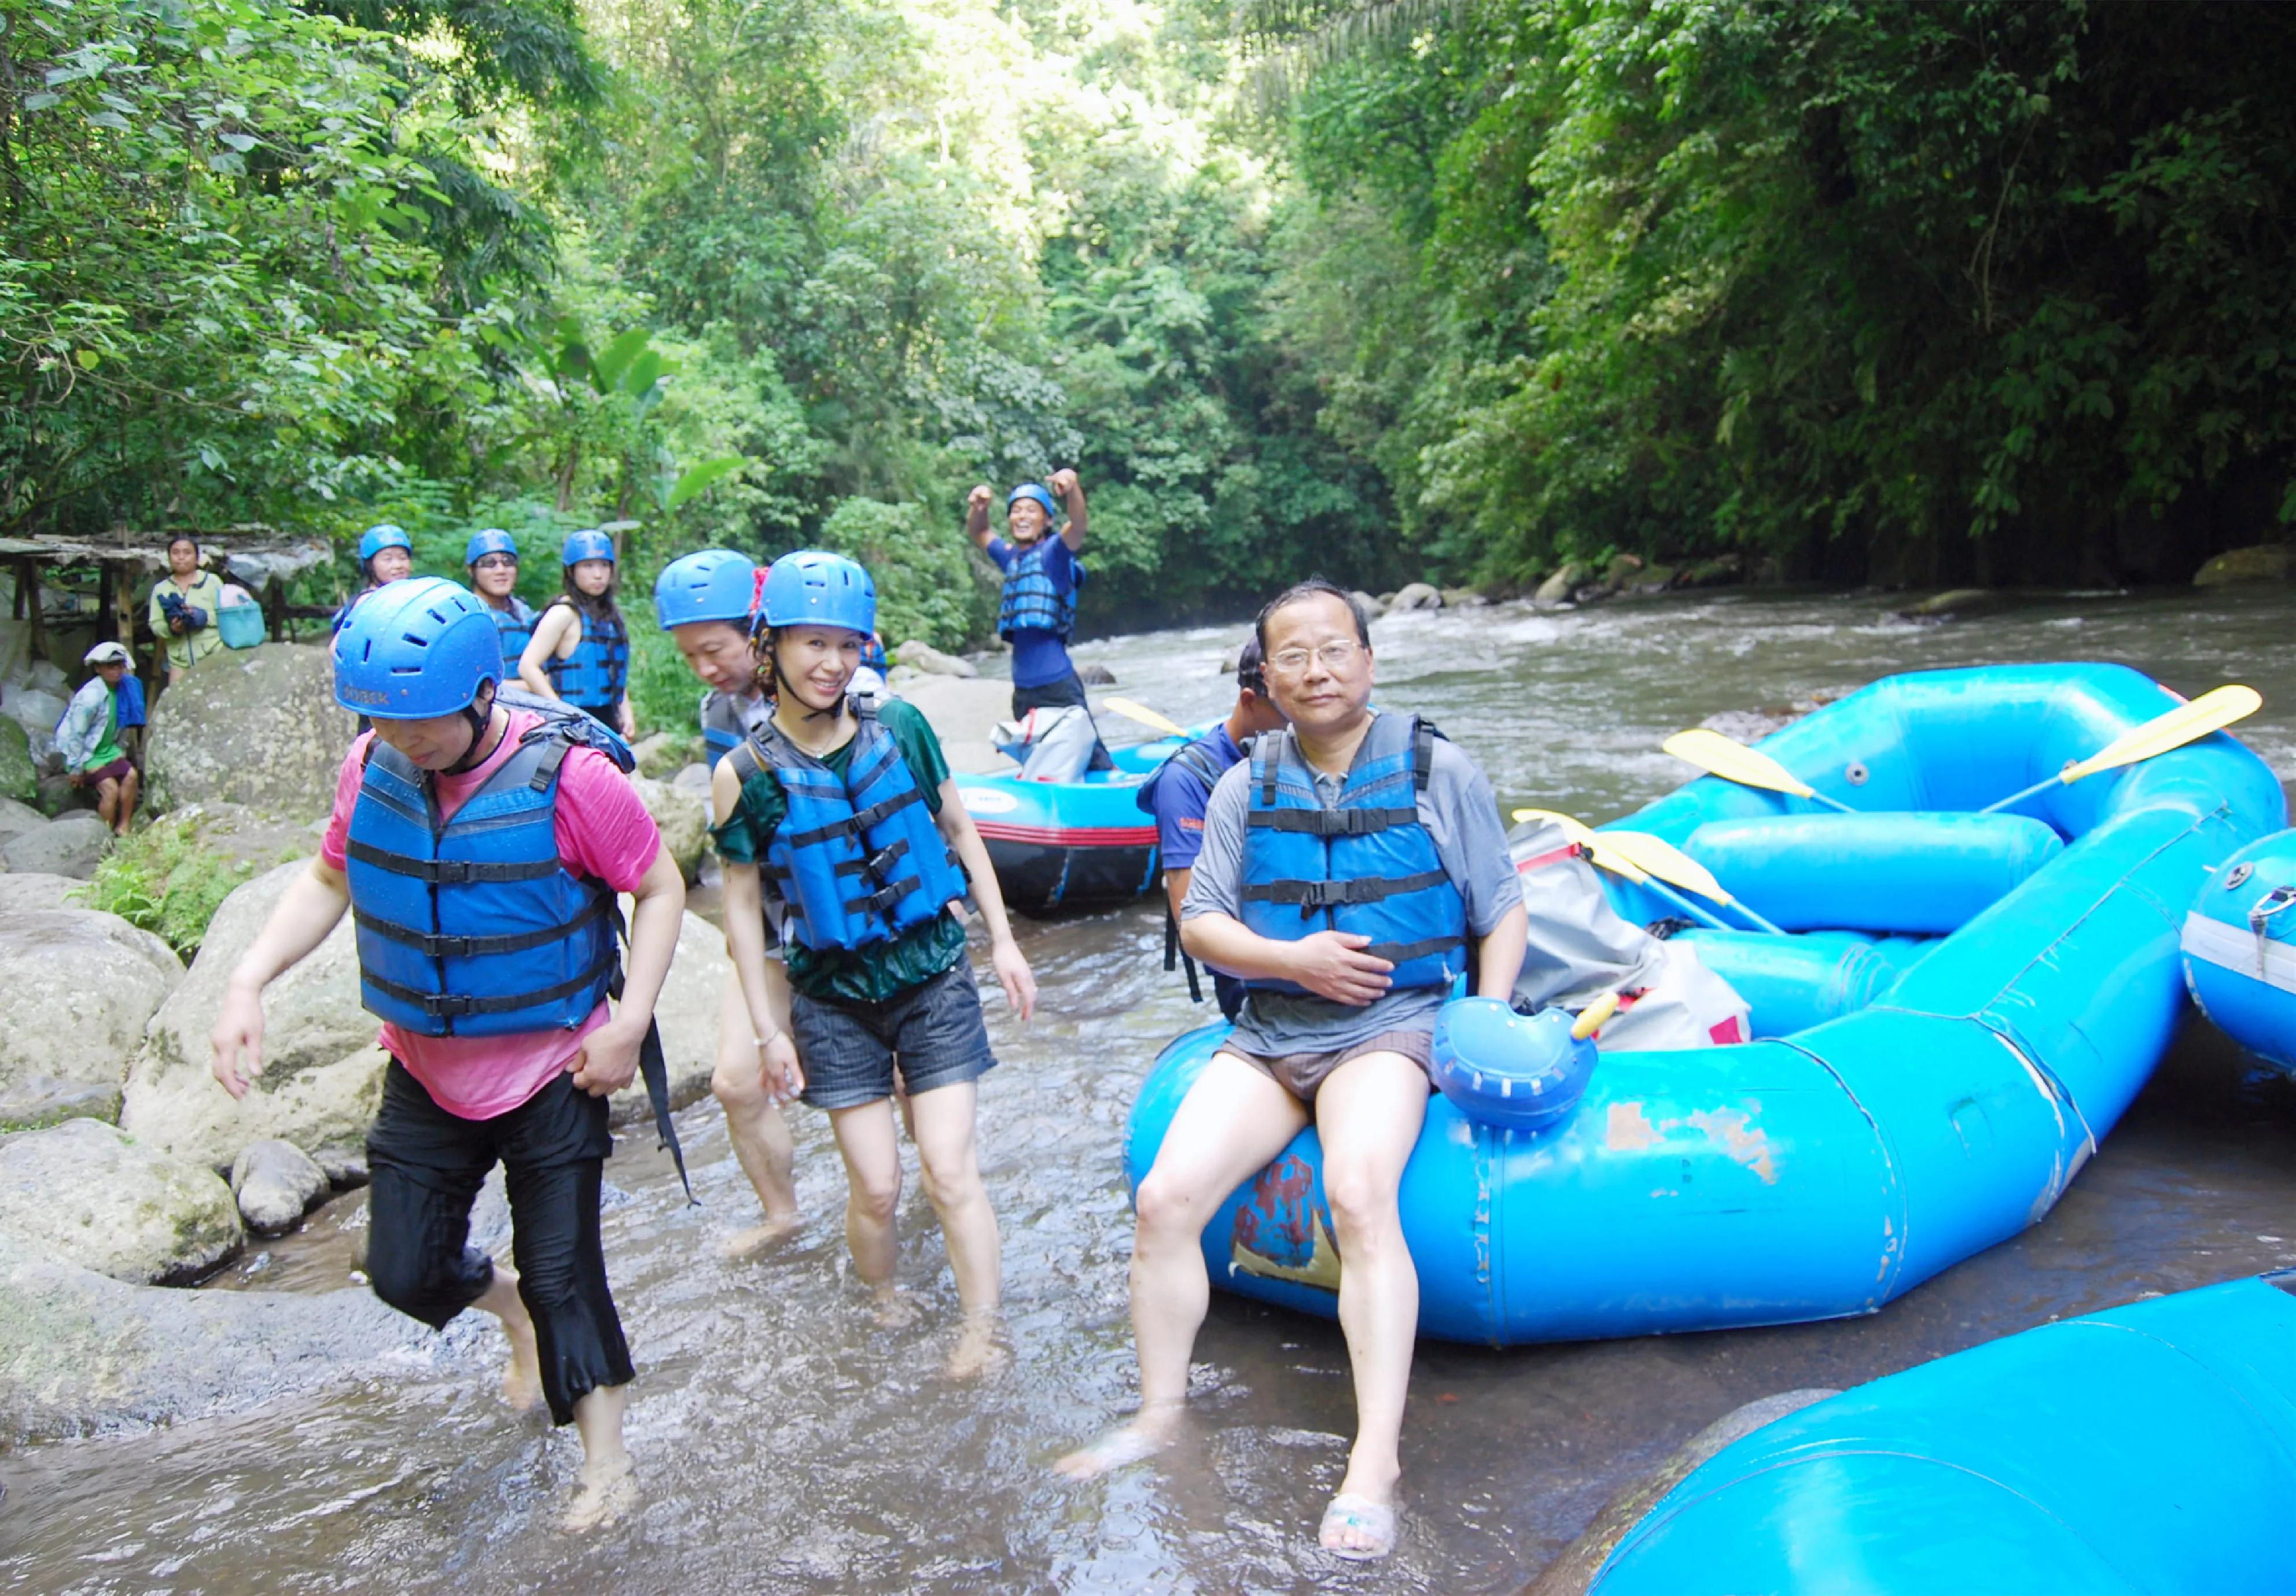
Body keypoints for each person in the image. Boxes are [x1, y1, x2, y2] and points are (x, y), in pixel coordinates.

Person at [1057, 577, 1529, 1562]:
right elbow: (1200, 921)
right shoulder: (1242, 783)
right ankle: (1158, 1413)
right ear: (1265, 676)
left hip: (1390, 1024)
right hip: (1272, 1031)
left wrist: (1481, 1015)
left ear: (1368, 659)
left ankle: (1374, 1460)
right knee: (1163, 1197)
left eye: (1333, 649)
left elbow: (1500, 906)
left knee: (1357, 1192)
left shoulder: (1435, 767)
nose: (1316, 670)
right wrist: (1292, 958)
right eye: (1293, 656)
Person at [209, 577, 686, 1534]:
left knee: (564, 1273)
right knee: (402, 1269)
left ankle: (607, 1464)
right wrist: (246, 979)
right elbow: (329, 877)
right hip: (427, 1069)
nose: (400, 738)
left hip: (554, 1068)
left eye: (418, 718)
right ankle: (509, 1310)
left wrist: (629, 1020)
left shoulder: (573, 778)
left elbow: (661, 886)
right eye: (380, 718)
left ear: (479, 691)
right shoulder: (371, 764)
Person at [711, 550, 1037, 1377]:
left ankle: (982, 1327)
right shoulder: (744, 774)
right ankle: (884, 1295)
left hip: (931, 972)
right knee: (879, 1187)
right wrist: (769, 1030)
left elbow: (959, 829)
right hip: (832, 998)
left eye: (848, 645)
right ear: (771, 645)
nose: (832, 663)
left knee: (949, 1169)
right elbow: (743, 910)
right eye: (813, 643)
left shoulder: (902, 727)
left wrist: (1003, 940)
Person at [653, 548, 802, 1255]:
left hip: (854, 918)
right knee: (736, 1082)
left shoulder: (823, 683)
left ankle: (933, 1188)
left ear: (757, 630)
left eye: (713, 649)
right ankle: (783, 1216)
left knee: (896, 1078)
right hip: (768, 920)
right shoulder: (717, 710)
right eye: (690, 655)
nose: (704, 668)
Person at [1134, 637, 1287, 1020]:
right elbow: (1190, 916)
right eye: (1287, 711)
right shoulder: (1185, 782)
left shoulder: (1303, 751)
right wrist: (1296, 962)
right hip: (1250, 978)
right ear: (1249, 701)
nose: (1300, 722)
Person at [964, 471, 1110, 770]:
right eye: (1016, 510)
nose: (1022, 516)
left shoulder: (1054, 554)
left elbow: (1079, 526)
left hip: (1058, 686)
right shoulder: (1011, 559)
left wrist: (1072, 488)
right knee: (1037, 761)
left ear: (1047, 521)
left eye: (1031, 510)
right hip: (1023, 692)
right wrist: (978, 508)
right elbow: (980, 532)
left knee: (1092, 759)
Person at [521, 529, 633, 739]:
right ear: (571, 572)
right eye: (588, 566)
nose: (598, 574)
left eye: (604, 565)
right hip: (572, 723)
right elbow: (528, 666)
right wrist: (560, 712)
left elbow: (614, 672)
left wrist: (625, 711)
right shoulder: (563, 613)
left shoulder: (610, 616)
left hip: (608, 719)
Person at [57, 642, 140, 835]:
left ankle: (124, 826)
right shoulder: (91, 697)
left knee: (131, 776)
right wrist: (76, 767)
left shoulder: (124, 690)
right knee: (110, 789)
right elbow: (76, 733)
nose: (116, 670)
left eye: (119, 665)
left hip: (108, 748)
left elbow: (124, 724)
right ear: (98, 668)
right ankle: (104, 834)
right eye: (111, 666)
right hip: (87, 752)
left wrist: (120, 750)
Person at [147, 535, 229, 685]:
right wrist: (172, 628)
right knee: (178, 699)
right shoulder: (161, 589)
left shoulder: (212, 582)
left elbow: (227, 615)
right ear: (169, 558)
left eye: (187, 553)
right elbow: (155, 624)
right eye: (176, 553)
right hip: (180, 661)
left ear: (197, 558)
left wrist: (201, 617)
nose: (181, 557)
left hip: (213, 654)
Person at [465, 529, 538, 662]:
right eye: (489, 563)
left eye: (508, 562)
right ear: (471, 570)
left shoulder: (524, 612)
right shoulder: (466, 618)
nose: (501, 570)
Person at [332, 524, 415, 632]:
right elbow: (338, 643)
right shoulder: (364, 603)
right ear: (370, 565)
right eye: (388, 559)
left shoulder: (416, 597)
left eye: (403, 558)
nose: (398, 565)